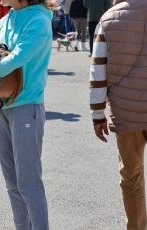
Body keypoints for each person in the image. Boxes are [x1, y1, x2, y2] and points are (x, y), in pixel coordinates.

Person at [0, 0, 55, 229]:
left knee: (28, 182)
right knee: (12, 183)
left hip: (27, 106)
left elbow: (17, 58)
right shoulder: (3, 21)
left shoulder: (39, 20)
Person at [90, 0, 147, 229]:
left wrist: (97, 114)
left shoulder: (108, 19)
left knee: (131, 177)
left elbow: (98, 69)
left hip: (126, 113)